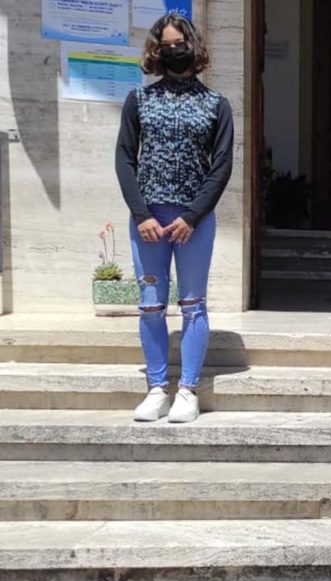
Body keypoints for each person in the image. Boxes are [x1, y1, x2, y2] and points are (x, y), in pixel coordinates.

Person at [116, 13, 234, 424]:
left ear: (194, 47)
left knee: (192, 304)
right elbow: (125, 159)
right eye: (166, 46)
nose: (173, 51)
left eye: (179, 45)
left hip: (193, 222)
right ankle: (155, 388)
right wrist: (140, 213)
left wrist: (193, 214)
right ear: (156, 50)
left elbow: (221, 166)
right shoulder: (139, 100)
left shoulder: (216, 104)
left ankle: (187, 389)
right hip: (148, 220)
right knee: (151, 305)